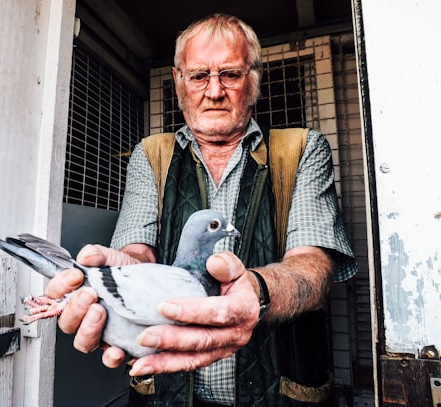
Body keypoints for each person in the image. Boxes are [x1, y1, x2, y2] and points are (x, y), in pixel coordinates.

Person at [46, 13, 357, 407]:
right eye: (198, 76)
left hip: (279, 394)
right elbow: (139, 254)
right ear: (178, 81)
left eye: (229, 74)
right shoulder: (150, 155)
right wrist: (119, 272)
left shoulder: (301, 150)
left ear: (254, 79)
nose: (214, 91)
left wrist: (257, 292)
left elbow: (313, 267)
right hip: (167, 392)